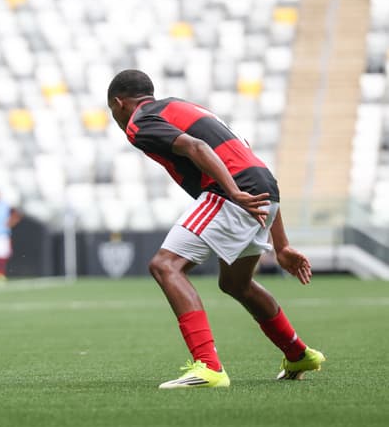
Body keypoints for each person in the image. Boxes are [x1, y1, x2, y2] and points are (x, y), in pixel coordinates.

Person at [106, 69, 325, 389]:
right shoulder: (185, 108)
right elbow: (251, 161)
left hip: (233, 192)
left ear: (119, 103)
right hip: (263, 187)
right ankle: (297, 353)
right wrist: (281, 246)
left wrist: (232, 191)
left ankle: (208, 367)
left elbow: (195, 148)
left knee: (165, 266)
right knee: (236, 283)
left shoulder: (140, 120)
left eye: (113, 112)